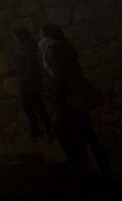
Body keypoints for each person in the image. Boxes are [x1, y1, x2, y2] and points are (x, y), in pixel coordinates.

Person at [39, 24, 111, 178]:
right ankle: (99, 167)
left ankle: (86, 168)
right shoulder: (64, 47)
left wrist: (58, 97)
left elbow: (59, 76)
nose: (39, 36)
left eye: (41, 33)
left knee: (78, 133)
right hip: (75, 96)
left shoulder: (52, 49)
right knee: (86, 132)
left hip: (69, 98)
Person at [8, 29, 51, 141]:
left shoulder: (28, 48)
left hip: (29, 84)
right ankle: (37, 129)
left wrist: (25, 78)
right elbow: (19, 66)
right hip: (25, 83)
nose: (13, 38)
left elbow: (32, 66)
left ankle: (45, 128)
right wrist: (11, 72)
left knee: (36, 106)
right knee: (31, 107)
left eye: (14, 36)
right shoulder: (21, 49)